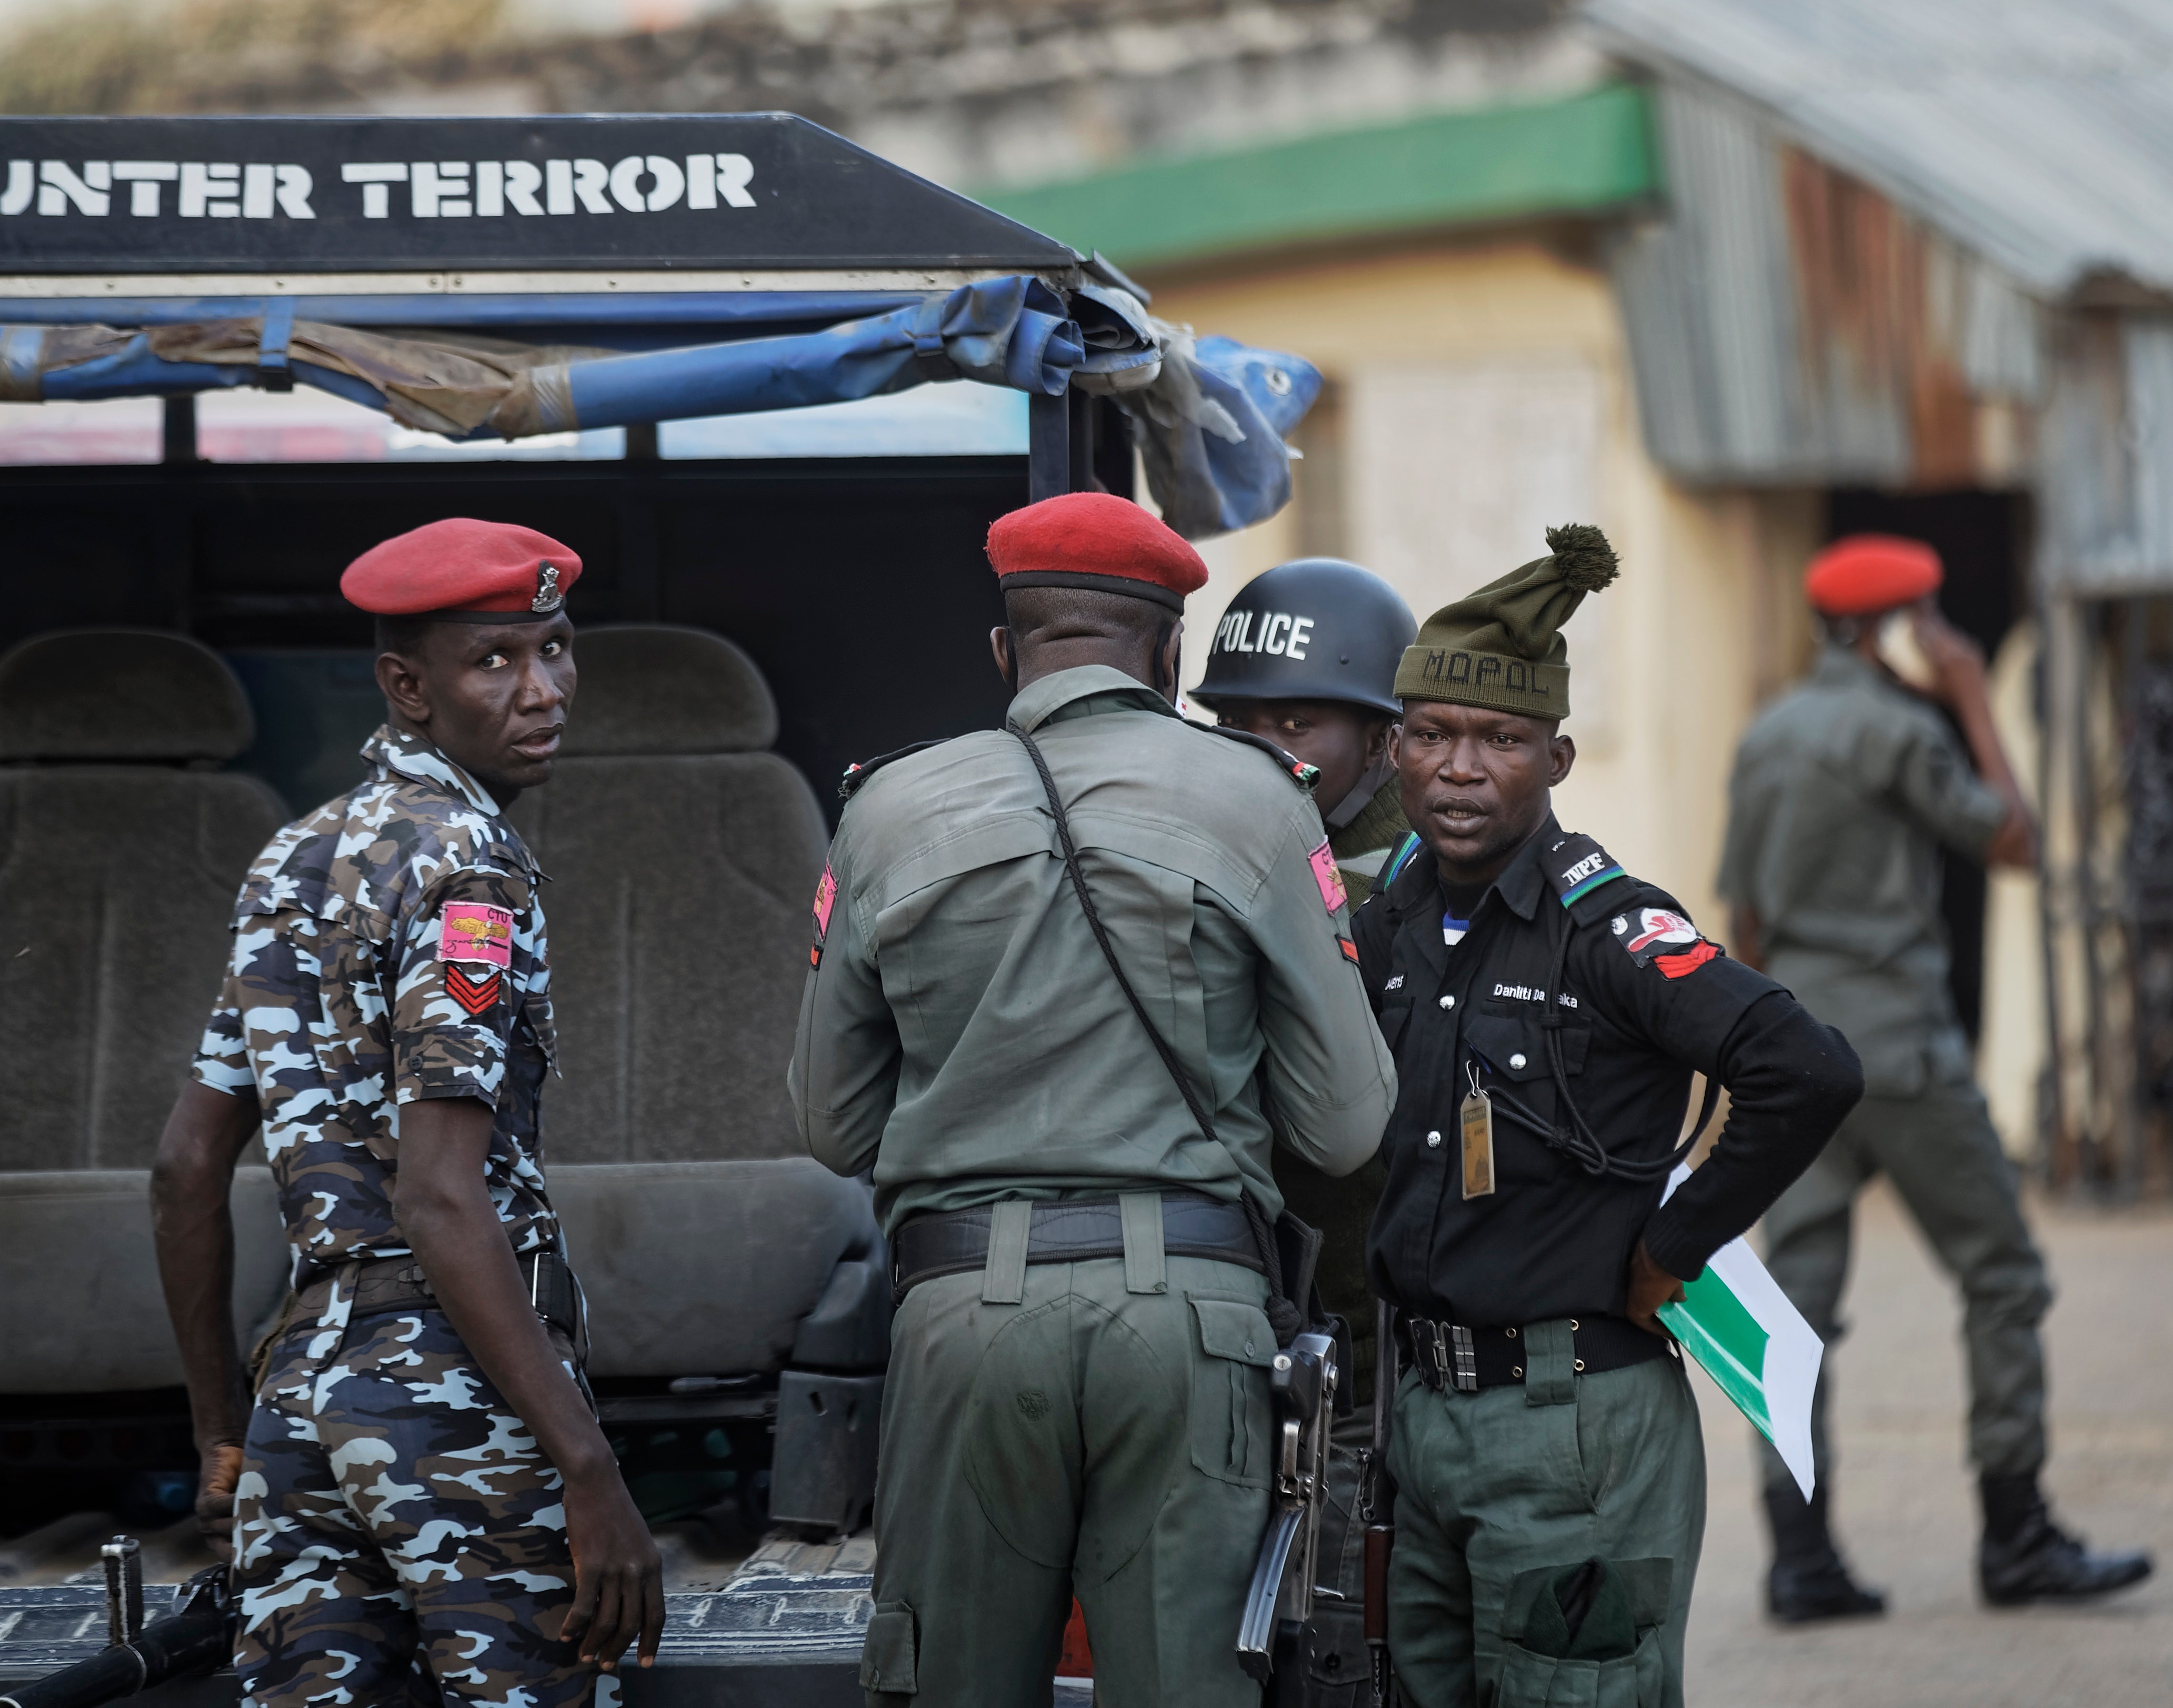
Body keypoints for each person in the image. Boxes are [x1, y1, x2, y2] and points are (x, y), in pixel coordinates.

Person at [789, 490, 1396, 1708]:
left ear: (1005, 651)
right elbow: (1342, 1126)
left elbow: (830, 1126)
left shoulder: (886, 805)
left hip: (957, 1318)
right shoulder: (1259, 801)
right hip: (1191, 1315)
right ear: (1169, 653)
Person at [148, 518, 662, 1707]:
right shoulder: (467, 868)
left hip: (299, 1402)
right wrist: (588, 1471)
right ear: (405, 688)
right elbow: (439, 1196)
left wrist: (222, 1437)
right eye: (495, 661)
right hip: (457, 1399)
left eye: (556, 647)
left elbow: (183, 1167)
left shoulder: (292, 856)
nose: (543, 691)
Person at [1351, 524, 1864, 1708]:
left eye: (1499, 740)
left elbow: (1806, 1070)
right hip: (1423, 1422)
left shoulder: (1607, 930)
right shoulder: (1387, 920)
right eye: (1430, 736)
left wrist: (1670, 1251)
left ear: (1557, 757)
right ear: (1390, 752)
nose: (1460, 768)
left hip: (1570, 1417)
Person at [1718, 534, 2153, 1619]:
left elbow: (1746, 921)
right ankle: (2015, 1538)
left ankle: (1798, 1558)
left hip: (1795, 1055)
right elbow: (2013, 841)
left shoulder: (1766, 732)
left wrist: (1754, 1058)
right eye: (1931, 621)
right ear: (1891, 631)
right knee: (1999, 1275)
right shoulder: (1899, 726)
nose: (1948, 639)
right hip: (1900, 1052)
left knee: (1789, 1309)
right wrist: (1966, 691)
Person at [1187, 555, 1420, 1702]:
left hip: (1378, 1353)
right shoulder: (1197, 844)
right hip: (1224, 1335)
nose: (1263, 748)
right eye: (1233, 721)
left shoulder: (1435, 881)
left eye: (1297, 720)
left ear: (1381, 740)